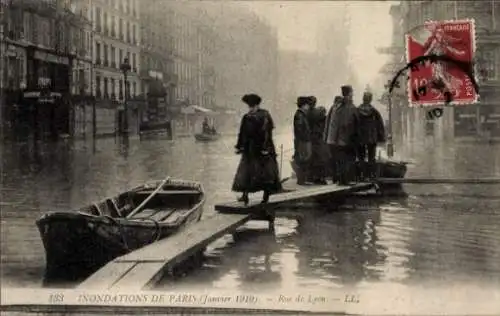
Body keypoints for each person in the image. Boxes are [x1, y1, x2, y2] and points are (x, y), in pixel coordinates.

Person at [231, 93, 282, 205]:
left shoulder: (263, 116)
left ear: (257, 105)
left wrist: (264, 147)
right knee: (248, 173)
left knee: (263, 174)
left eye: (253, 106)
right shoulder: (249, 116)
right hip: (252, 149)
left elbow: (267, 133)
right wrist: (240, 146)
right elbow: (242, 134)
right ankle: (246, 196)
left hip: (261, 149)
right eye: (250, 107)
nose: (251, 109)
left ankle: (265, 197)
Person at [323, 86, 359, 185]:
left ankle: (338, 180)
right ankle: (343, 181)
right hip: (344, 139)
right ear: (349, 94)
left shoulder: (335, 106)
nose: (353, 95)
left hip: (333, 139)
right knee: (346, 160)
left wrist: (326, 137)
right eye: (352, 93)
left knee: (338, 160)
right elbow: (350, 124)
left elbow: (328, 122)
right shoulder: (350, 107)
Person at [356, 91, 386, 180]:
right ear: (370, 100)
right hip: (371, 137)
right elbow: (380, 124)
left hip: (360, 137)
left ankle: (362, 175)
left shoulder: (357, 110)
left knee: (361, 157)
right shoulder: (374, 111)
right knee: (371, 157)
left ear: (363, 99)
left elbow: (353, 123)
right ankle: (371, 175)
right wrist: (381, 137)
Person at [307, 96, 328, 184]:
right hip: (318, 138)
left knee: (312, 159)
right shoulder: (317, 113)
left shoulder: (307, 112)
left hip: (310, 138)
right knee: (320, 158)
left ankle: (311, 177)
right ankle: (320, 178)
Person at [324, 96, 343, 183]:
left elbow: (327, 124)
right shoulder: (339, 110)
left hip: (331, 139)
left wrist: (325, 138)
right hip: (337, 140)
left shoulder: (332, 109)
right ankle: (338, 177)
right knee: (338, 159)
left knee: (334, 159)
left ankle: (335, 177)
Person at [293, 96, 312, 185]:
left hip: (302, 141)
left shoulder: (300, 114)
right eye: (307, 105)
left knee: (303, 159)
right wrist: (305, 138)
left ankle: (302, 179)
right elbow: (300, 129)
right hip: (303, 142)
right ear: (304, 105)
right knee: (303, 160)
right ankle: (301, 180)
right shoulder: (300, 115)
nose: (308, 107)